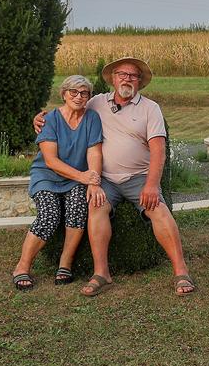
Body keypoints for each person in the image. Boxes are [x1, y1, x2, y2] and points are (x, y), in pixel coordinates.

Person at [35, 56, 194, 297]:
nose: (127, 79)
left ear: (139, 81)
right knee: (96, 207)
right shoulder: (97, 102)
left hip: (138, 177)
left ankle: (180, 270)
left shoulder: (150, 108)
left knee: (158, 209)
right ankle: (102, 273)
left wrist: (152, 185)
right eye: (122, 74)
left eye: (133, 76)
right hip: (105, 178)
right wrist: (40, 119)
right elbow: (69, 108)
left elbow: (158, 150)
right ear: (113, 79)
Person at [11, 75, 106, 289]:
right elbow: (51, 161)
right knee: (49, 214)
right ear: (63, 94)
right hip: (47, 176)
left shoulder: (92, 119)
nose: (79, 97)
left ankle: (65, 263)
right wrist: (83, 176)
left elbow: (95, 153)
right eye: (73, 92)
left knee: (77, 209)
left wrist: (92, 180)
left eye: (84, 93)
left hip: (77, 178)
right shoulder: (49, 120)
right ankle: (22, 267)